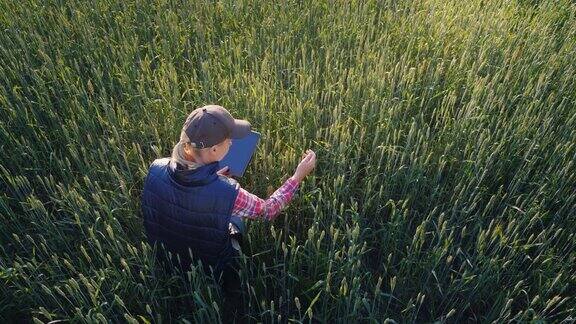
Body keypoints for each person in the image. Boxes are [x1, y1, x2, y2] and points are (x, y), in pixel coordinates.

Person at [141, 104, 316, 320]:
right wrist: (297, 176)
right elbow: (268, 210)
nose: (232, 142)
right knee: (236, 221)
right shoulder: (228, 193)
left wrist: (217, 181)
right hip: (210, 264)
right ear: (214, 150)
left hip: (168, 256)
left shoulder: (156, 167)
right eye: (228, 140)